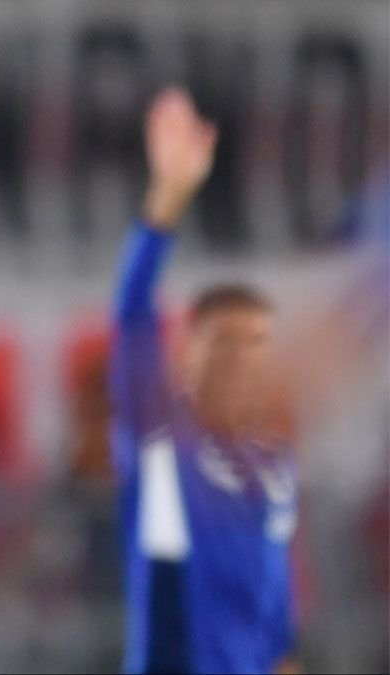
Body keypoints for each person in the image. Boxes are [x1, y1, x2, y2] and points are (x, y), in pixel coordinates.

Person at [109, 88, 298, 673]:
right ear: (189, 359)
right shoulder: (162, 441)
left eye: (256, 346)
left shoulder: (275, 464)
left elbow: (273, 599)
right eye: (225, 344)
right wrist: (167, 200)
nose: (242, 361)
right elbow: (132, 314)